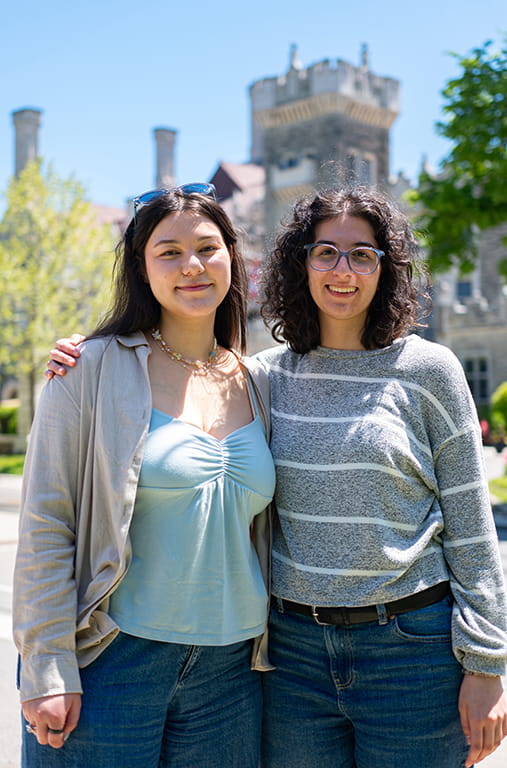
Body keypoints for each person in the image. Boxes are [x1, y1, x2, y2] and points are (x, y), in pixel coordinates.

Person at [47, 186, 507, 767]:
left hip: (409, 652)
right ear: (301, 263)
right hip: (292, 658)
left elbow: (472, 528)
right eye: (326, 252)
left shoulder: (429, 370)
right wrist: (85, 352)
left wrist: (487, 665)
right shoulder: (263, 378)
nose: (343, 271)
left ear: (387, 267)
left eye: (362, 254)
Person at [13, 182, 276, 768]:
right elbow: (46, 522)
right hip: (111, 661)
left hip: (231, 673)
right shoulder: (91, 368)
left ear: (233, 256)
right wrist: (47, 664)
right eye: (168, 251)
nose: (192, 266)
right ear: (140, 266)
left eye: (208, 248)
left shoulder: (259, 382)